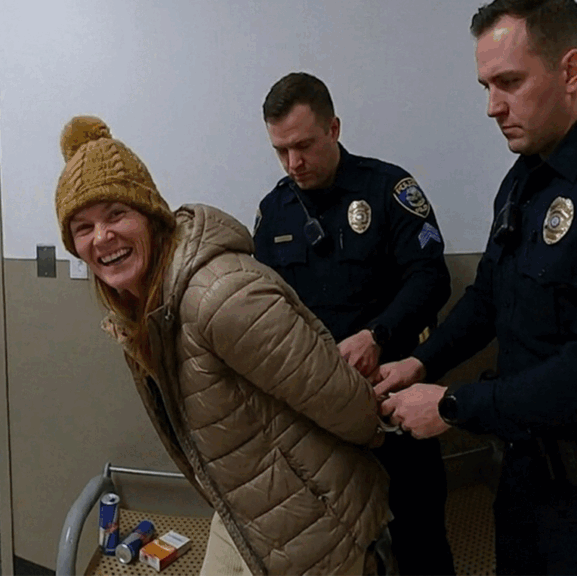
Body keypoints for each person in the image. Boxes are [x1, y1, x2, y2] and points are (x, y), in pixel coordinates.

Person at [374, 1, 577, 574]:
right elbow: (487, 299)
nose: (493, 107)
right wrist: (420, 362)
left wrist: (452, 404)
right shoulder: (522, 182)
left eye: (509, 82)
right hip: (528, 478)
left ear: (571, 72)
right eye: (486, 85)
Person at [53, 115, 392, 575]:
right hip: (246, 510)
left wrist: (372, 433)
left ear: (150, 217)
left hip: (319, 521)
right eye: (83, 227)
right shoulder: (143, 312)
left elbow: (344, 400)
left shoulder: (219, 297)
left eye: (116, 214)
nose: (102, 237)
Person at [253, 72, 455, 576]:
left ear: (334, 128)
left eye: (303, 145)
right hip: (318, 411)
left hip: (394, 397)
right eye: (280, 150)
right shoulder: (274, 211)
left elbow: (432, 278)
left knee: (420, 535)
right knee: (332, 542)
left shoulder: (389, 189)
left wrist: (378, 334)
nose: (293, 163)